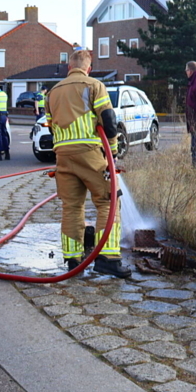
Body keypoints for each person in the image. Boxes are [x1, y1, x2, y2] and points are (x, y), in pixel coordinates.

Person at [46, 50, 129, 278]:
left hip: (63, 156)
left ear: (68, 68)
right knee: (108, 201)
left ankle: (73, 260)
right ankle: (108, 258)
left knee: (71, 207)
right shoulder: (94, 85)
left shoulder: (52, 92)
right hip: (89, 152)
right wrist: (111, 152)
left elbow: (52, 125)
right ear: (88, 68)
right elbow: (109, 121)